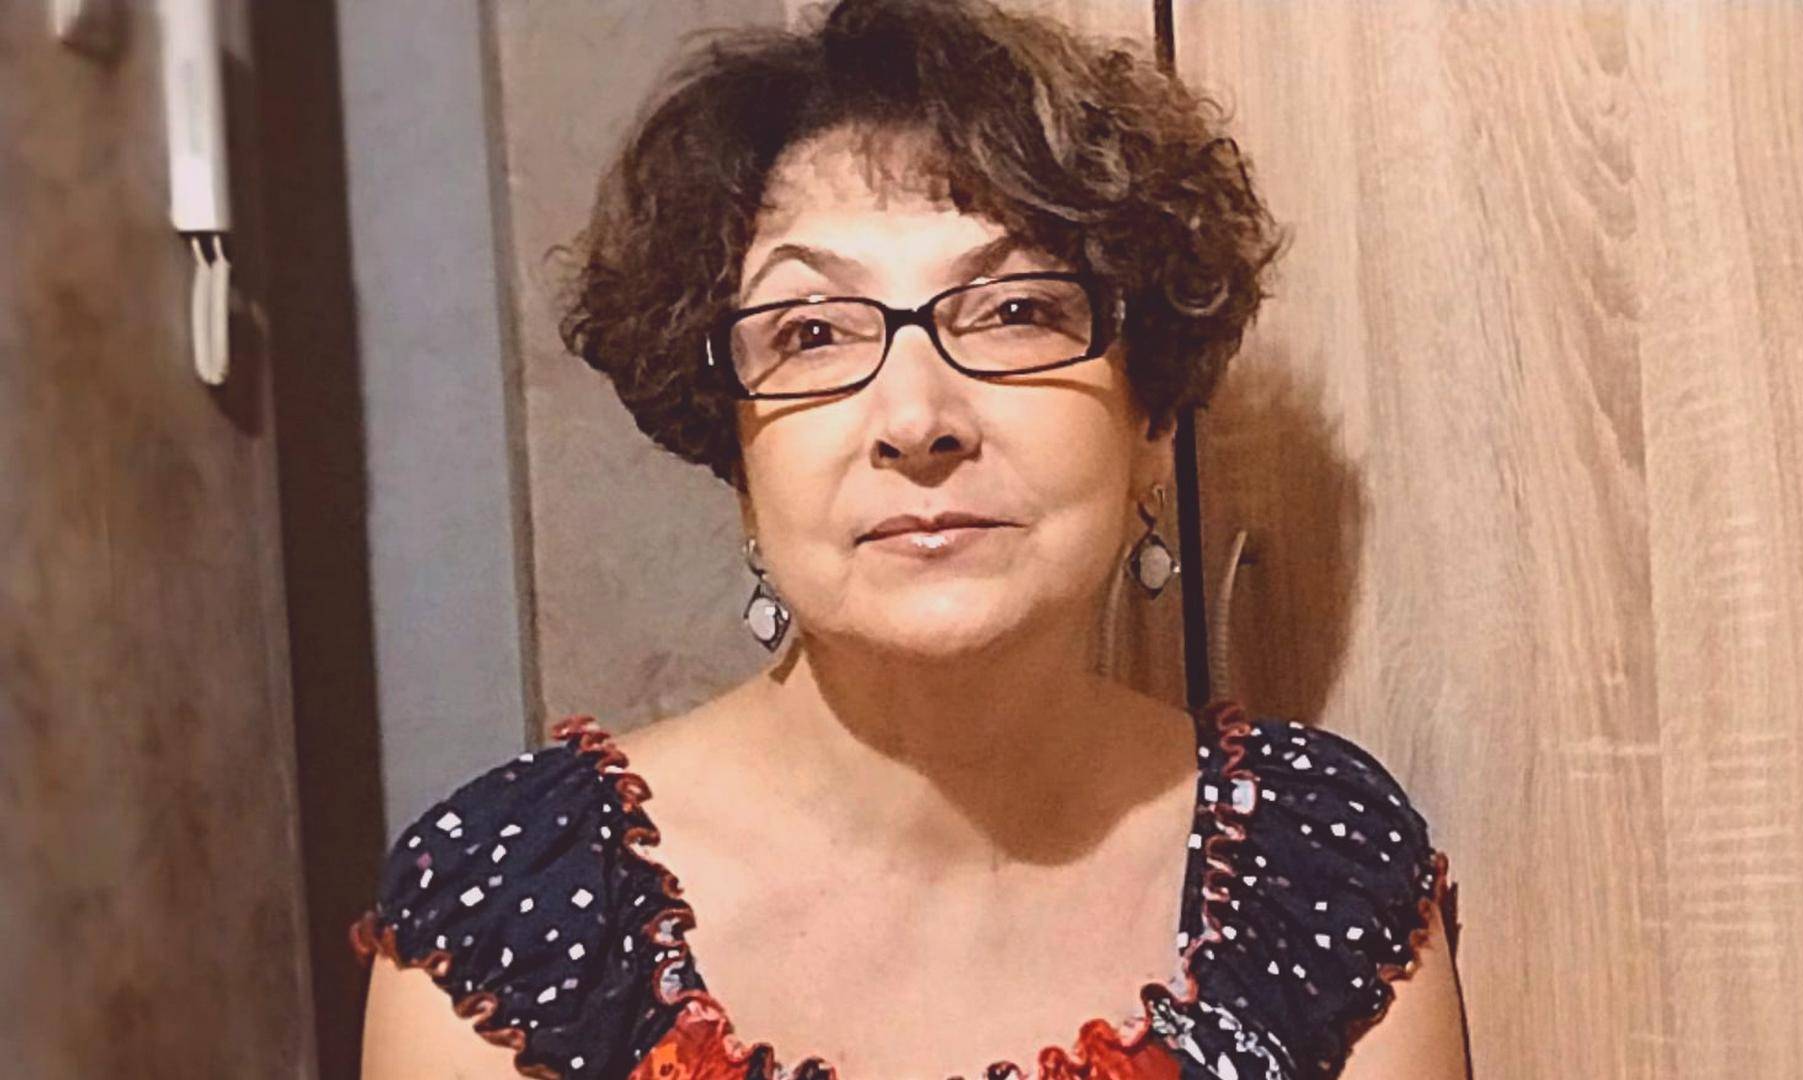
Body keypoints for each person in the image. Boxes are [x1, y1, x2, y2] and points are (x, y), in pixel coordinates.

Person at [351, 1, 1467, 1077]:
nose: (916, 418)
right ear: (735, 450)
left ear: (1152, 417)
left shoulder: (1310, 868)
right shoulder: (518, 913)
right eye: (810, 333)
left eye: (1016, 310)